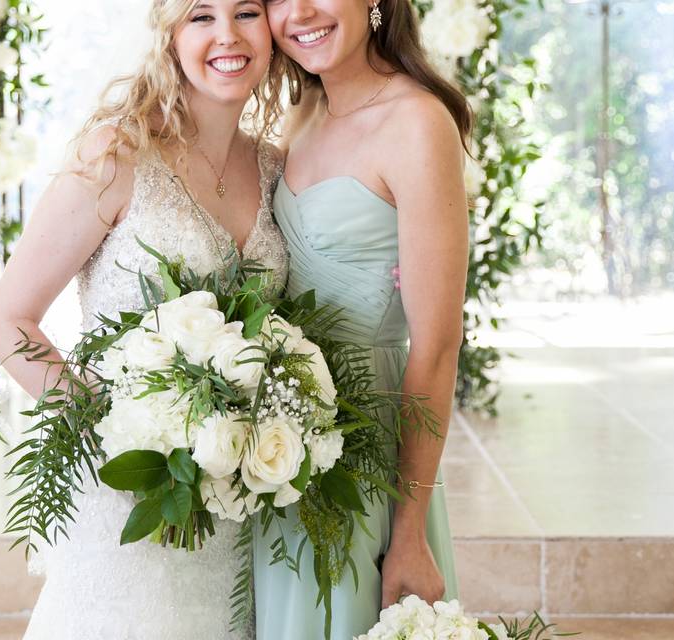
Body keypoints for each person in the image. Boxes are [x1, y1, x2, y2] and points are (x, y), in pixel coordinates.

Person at [0, 1, 289, 636]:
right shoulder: (118, 154)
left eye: (247, 12)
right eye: (200, 15)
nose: (226, 35)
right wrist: (116, 434)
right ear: (169, 34)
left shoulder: (278, 169)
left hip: (237, 506)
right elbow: (7, 321)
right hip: (130, 496)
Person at [253, 0, 472, 637]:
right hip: (279, 443)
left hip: (368, 451)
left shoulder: (417, 123)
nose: (298, 13)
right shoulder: (306, 111)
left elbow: (437, 346)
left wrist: (407, 533)